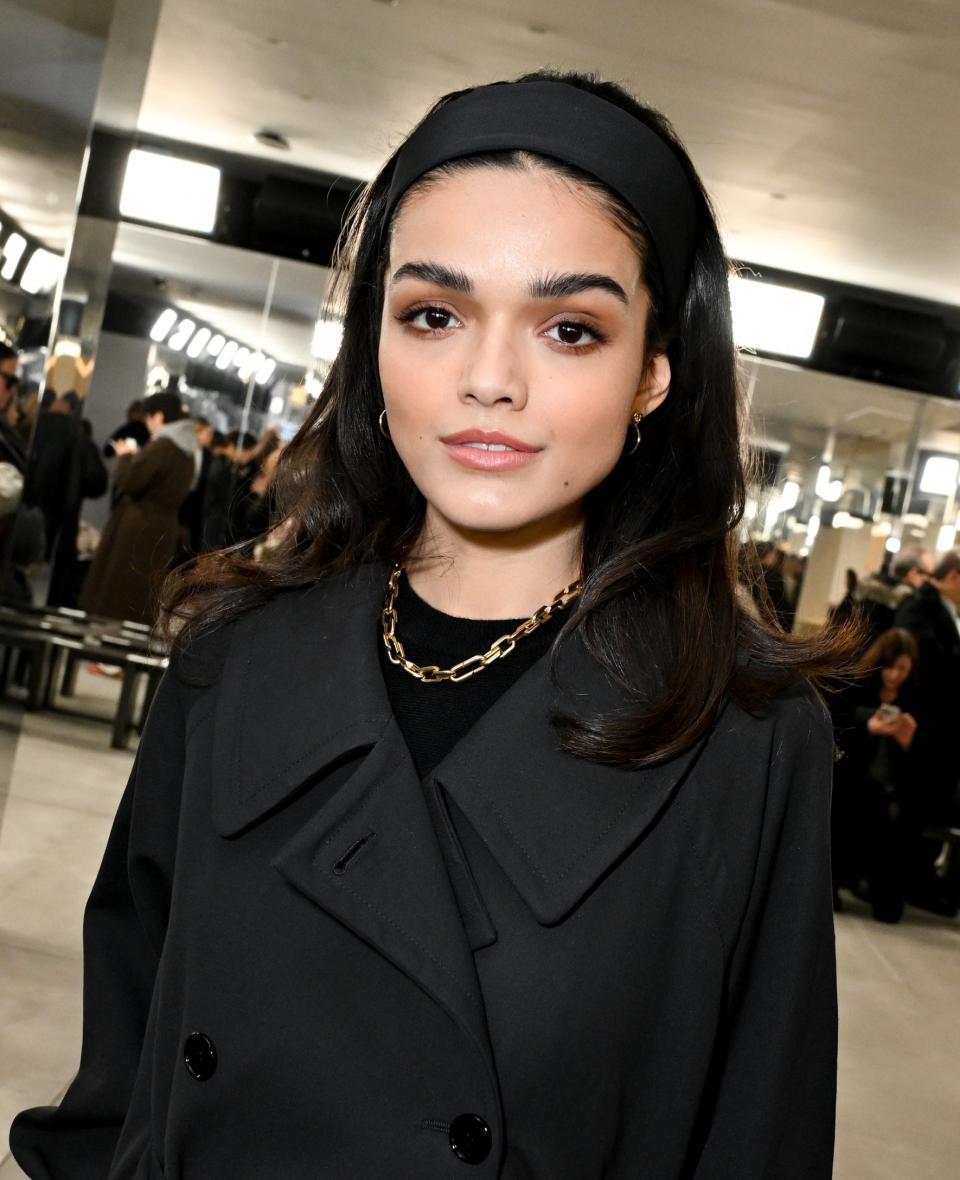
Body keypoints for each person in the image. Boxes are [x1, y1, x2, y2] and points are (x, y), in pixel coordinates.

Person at [10, 72, 856, 1179]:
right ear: (374, 342)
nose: (488, 380)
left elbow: (758, 1135)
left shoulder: (742, 735)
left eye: (568, 328)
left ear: (654, 372)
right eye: (434, 314)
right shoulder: (235, 655)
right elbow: (119, 1073)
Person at [78, 392, 199, 623]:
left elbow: (130, 480)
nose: (147, 425)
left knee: (117, 593)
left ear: (159, 417)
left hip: (138, 528)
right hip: (162, 527)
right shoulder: (188, 452)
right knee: (140, 595)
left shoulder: (164, 446)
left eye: (149, 418)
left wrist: (124, 457)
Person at [830, 628, 919, 922]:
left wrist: (907, 744)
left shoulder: (916, 699)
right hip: (853, 780)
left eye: (902, 669)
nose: (894, 676)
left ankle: (881, 892)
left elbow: (923, 763)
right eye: (890, 667)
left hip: (890, 788)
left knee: (895, 815)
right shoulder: (857, 687)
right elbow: (838, 733)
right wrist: (870, 727)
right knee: (852, 802)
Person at [894, 549, 960, 913]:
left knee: (930, 806)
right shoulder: (921, 606)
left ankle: (921, 880)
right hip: (925, 725)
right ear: (953, 577)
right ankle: (911, 881)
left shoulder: (944, 611)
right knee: (917, 805)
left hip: (941, 729)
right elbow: (927, 662)